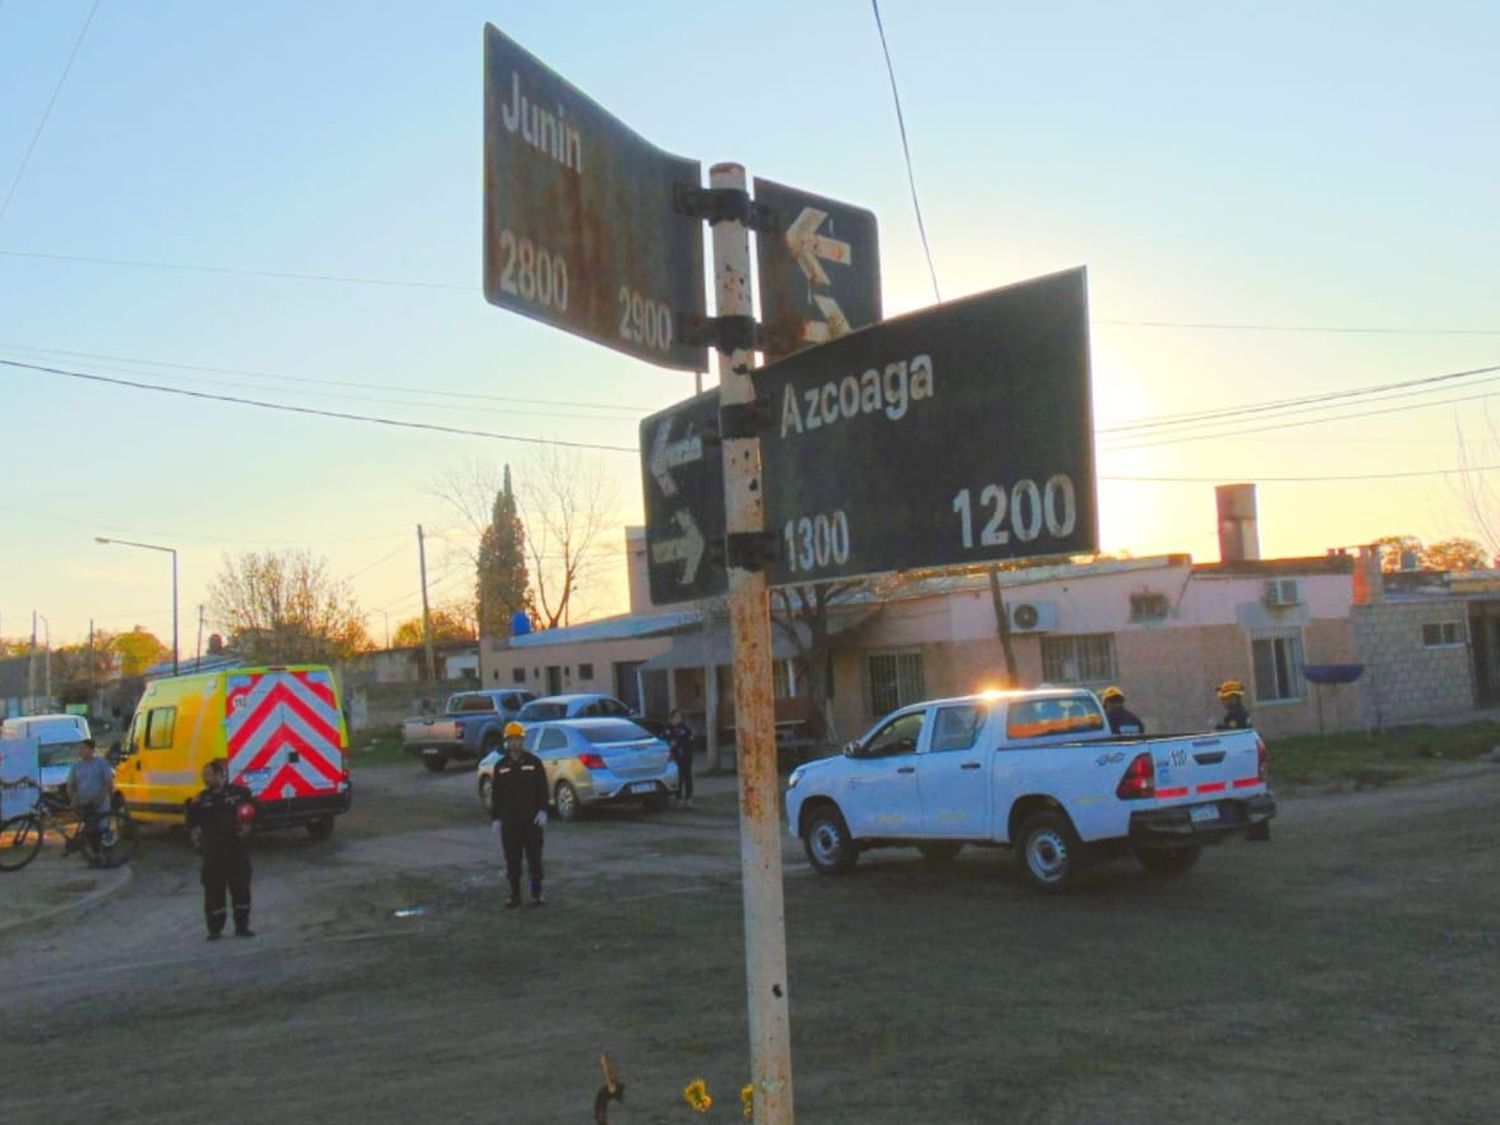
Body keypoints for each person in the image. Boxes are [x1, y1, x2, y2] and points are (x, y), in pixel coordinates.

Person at [185, 759, 255, 940]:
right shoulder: (202, 799)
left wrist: (249, 826)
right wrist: (192, 812)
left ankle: (242, 927)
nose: (205, 780)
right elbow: (191, 822)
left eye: (208, 776)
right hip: (213, 854)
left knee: (241, 890)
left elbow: (258, 812)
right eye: (203, 777)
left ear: (220, 774)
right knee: (214, 894)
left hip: (236, 851)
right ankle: (215, 930)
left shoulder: (240, 794)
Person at [489, 721, 548, 908]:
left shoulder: (534, 762)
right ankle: (515, 896)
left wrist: (543, 810)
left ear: (523, 741)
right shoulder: (500, 766)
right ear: (507, 741)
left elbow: (542, 789)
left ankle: (536, 894)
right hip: (510, 823)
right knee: (513, 862)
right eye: (511, 740)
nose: (515, 743)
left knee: (535, 860)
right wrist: (496, 818)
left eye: (518, 739)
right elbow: (496, 794)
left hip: (532, 822)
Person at [65, 738, 114, 866]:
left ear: (91, 750)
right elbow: (70, 784)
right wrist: (73, 800)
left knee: (102, 829)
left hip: (100, 802)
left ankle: (108, 856)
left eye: (83, 749)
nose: (80, 751)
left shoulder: (101, 763)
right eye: (79, 749)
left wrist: (101, 798)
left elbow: (108, 783)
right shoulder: (76, 766)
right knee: (90, 831)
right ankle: (95, 857)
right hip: (84, 803)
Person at [663, 709, 694, 808]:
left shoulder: (684, 729)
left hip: (685, 755)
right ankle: (678, 797)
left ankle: (689, 798)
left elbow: (690, 740)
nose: (677, 719)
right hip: (674, 757)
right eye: (675, 717)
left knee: (687, 776)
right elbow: (666, 740)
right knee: (678, 777)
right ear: (671, 719)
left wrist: (679, 743)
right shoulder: (667, 729)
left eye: (679, 717)